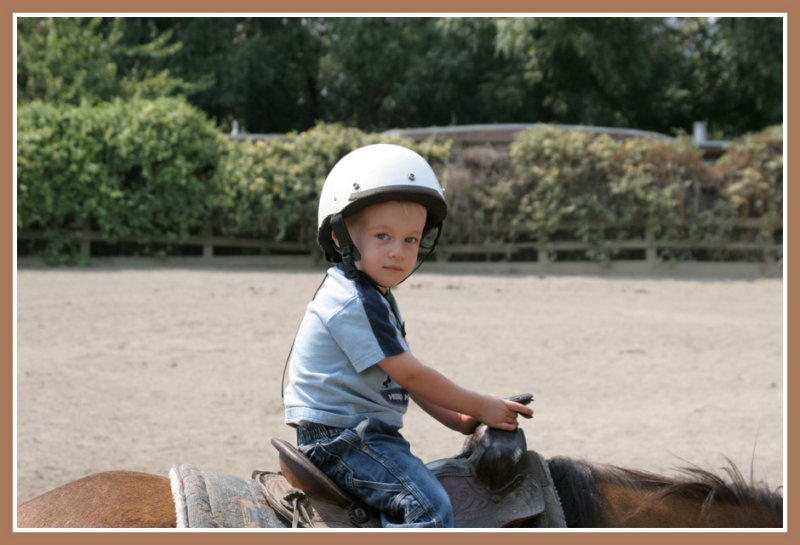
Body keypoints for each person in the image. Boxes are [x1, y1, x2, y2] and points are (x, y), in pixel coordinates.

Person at [282, 143, 532, 528]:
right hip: (342, 439)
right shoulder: (353, 302)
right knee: (429, 510)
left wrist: (460, 418)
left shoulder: (374, 297)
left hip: (360, 432)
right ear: (340, 237)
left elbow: (403, 380)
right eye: (383, 236)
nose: (398, 252)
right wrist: (481, 405)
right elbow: (412, 374)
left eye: (410, 240)